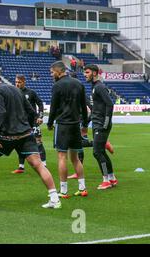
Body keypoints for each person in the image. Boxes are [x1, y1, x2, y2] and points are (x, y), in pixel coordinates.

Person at [0, 75, 61, 209]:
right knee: (38, 164)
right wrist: (30, 127)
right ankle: (55, 199)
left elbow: (1, 113)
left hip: (8, 136)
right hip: (25, 134)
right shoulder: (16, 89)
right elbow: (31, 111)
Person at [47, 61, 89, 198]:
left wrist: (49, 123)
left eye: (52, 72)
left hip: (63, 124)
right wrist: (84, 125)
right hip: (76, 124)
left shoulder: (57, 85)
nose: (52, 75)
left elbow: (53, 107)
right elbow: (84, 106)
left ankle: (64, 191)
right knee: (75, 158)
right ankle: (83, 188)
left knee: (62, 157)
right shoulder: (78, 83)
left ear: (59, 71)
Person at [84, 65, 118, 189]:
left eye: (87, 72)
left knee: (97, 152)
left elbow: (110, 104)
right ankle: (112, 178)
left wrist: (106, 122)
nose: (85, 74)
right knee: (101, 151)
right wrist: (87, 121)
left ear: (94, 73)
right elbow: (95, 110)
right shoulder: (94, 87)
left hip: (101, 125)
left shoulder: (99, 87)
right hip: (97, 123)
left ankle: (106, 180)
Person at [12, 75, 46, 174]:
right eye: (16, 82)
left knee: (38, 142)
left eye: (19, 82)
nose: (17, 84)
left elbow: (40, 103)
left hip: (33, 122)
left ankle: (44, 164)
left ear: (24, 82)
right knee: (20, 144)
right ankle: (21, 167)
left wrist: (40, 116)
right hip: (21, 123)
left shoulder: (31, 93)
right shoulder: (14, 93)